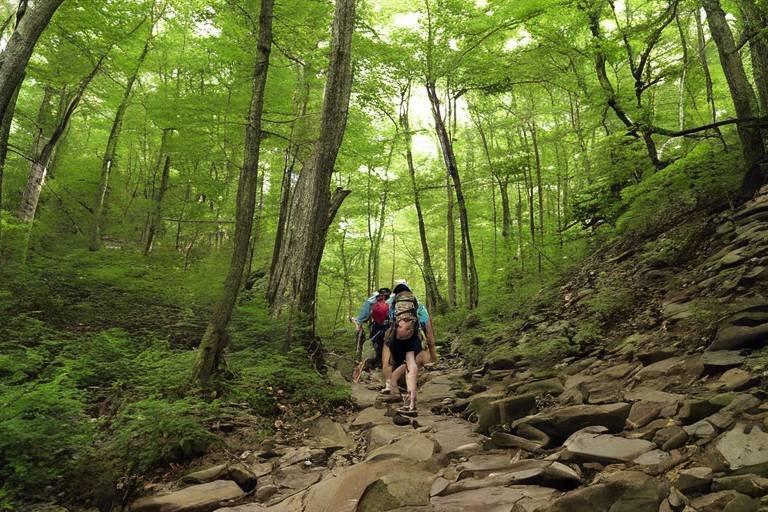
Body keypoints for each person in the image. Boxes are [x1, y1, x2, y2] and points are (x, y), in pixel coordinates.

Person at [382, 280, 437, 415]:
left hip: (395, 339)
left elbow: (385, 321)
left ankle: (390, 387)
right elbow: (429, 333)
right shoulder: (418, 304)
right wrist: (433, 356)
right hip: (412, 339)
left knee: (387, 355)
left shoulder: (390, 303)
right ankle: (411, 403)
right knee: (411, 367)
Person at [352, 287, 392, 381]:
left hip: (376, 326)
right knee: (385, 345)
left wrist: (360, 320)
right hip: (387, 326)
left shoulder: (373, 301)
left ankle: (378, 363)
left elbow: (366, 314)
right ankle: (383, 364)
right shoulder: (391, 302)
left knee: (376, 344)